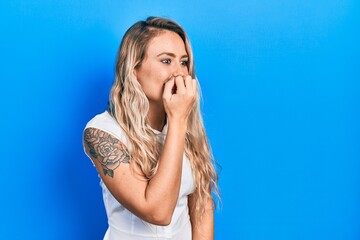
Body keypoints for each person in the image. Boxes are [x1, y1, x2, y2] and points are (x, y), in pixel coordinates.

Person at [83, 16, 219, 240]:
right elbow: (157, 212)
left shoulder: (185, 124)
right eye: (166, 61)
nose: (179, 73)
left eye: (183, 62)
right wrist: (177, 119)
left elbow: (202, 205)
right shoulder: (101, 132)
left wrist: (179, 120)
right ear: (134, 68)